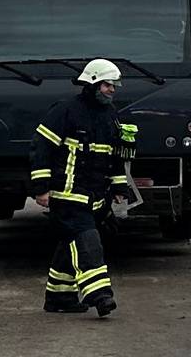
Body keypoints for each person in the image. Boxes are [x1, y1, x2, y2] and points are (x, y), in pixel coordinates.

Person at [32, 59, 134, 317]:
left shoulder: (110, 115)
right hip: (67, 194)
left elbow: (113, 156)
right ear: (92, 84)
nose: (112, 90)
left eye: (114, 86)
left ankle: (59, 297)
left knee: (70, 244)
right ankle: (100, 295)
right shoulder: (65, 111)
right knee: (87, 241)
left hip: (96, 196)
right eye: (107, 85)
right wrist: (41, 188)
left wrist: (120, 187)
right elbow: (42, 148)